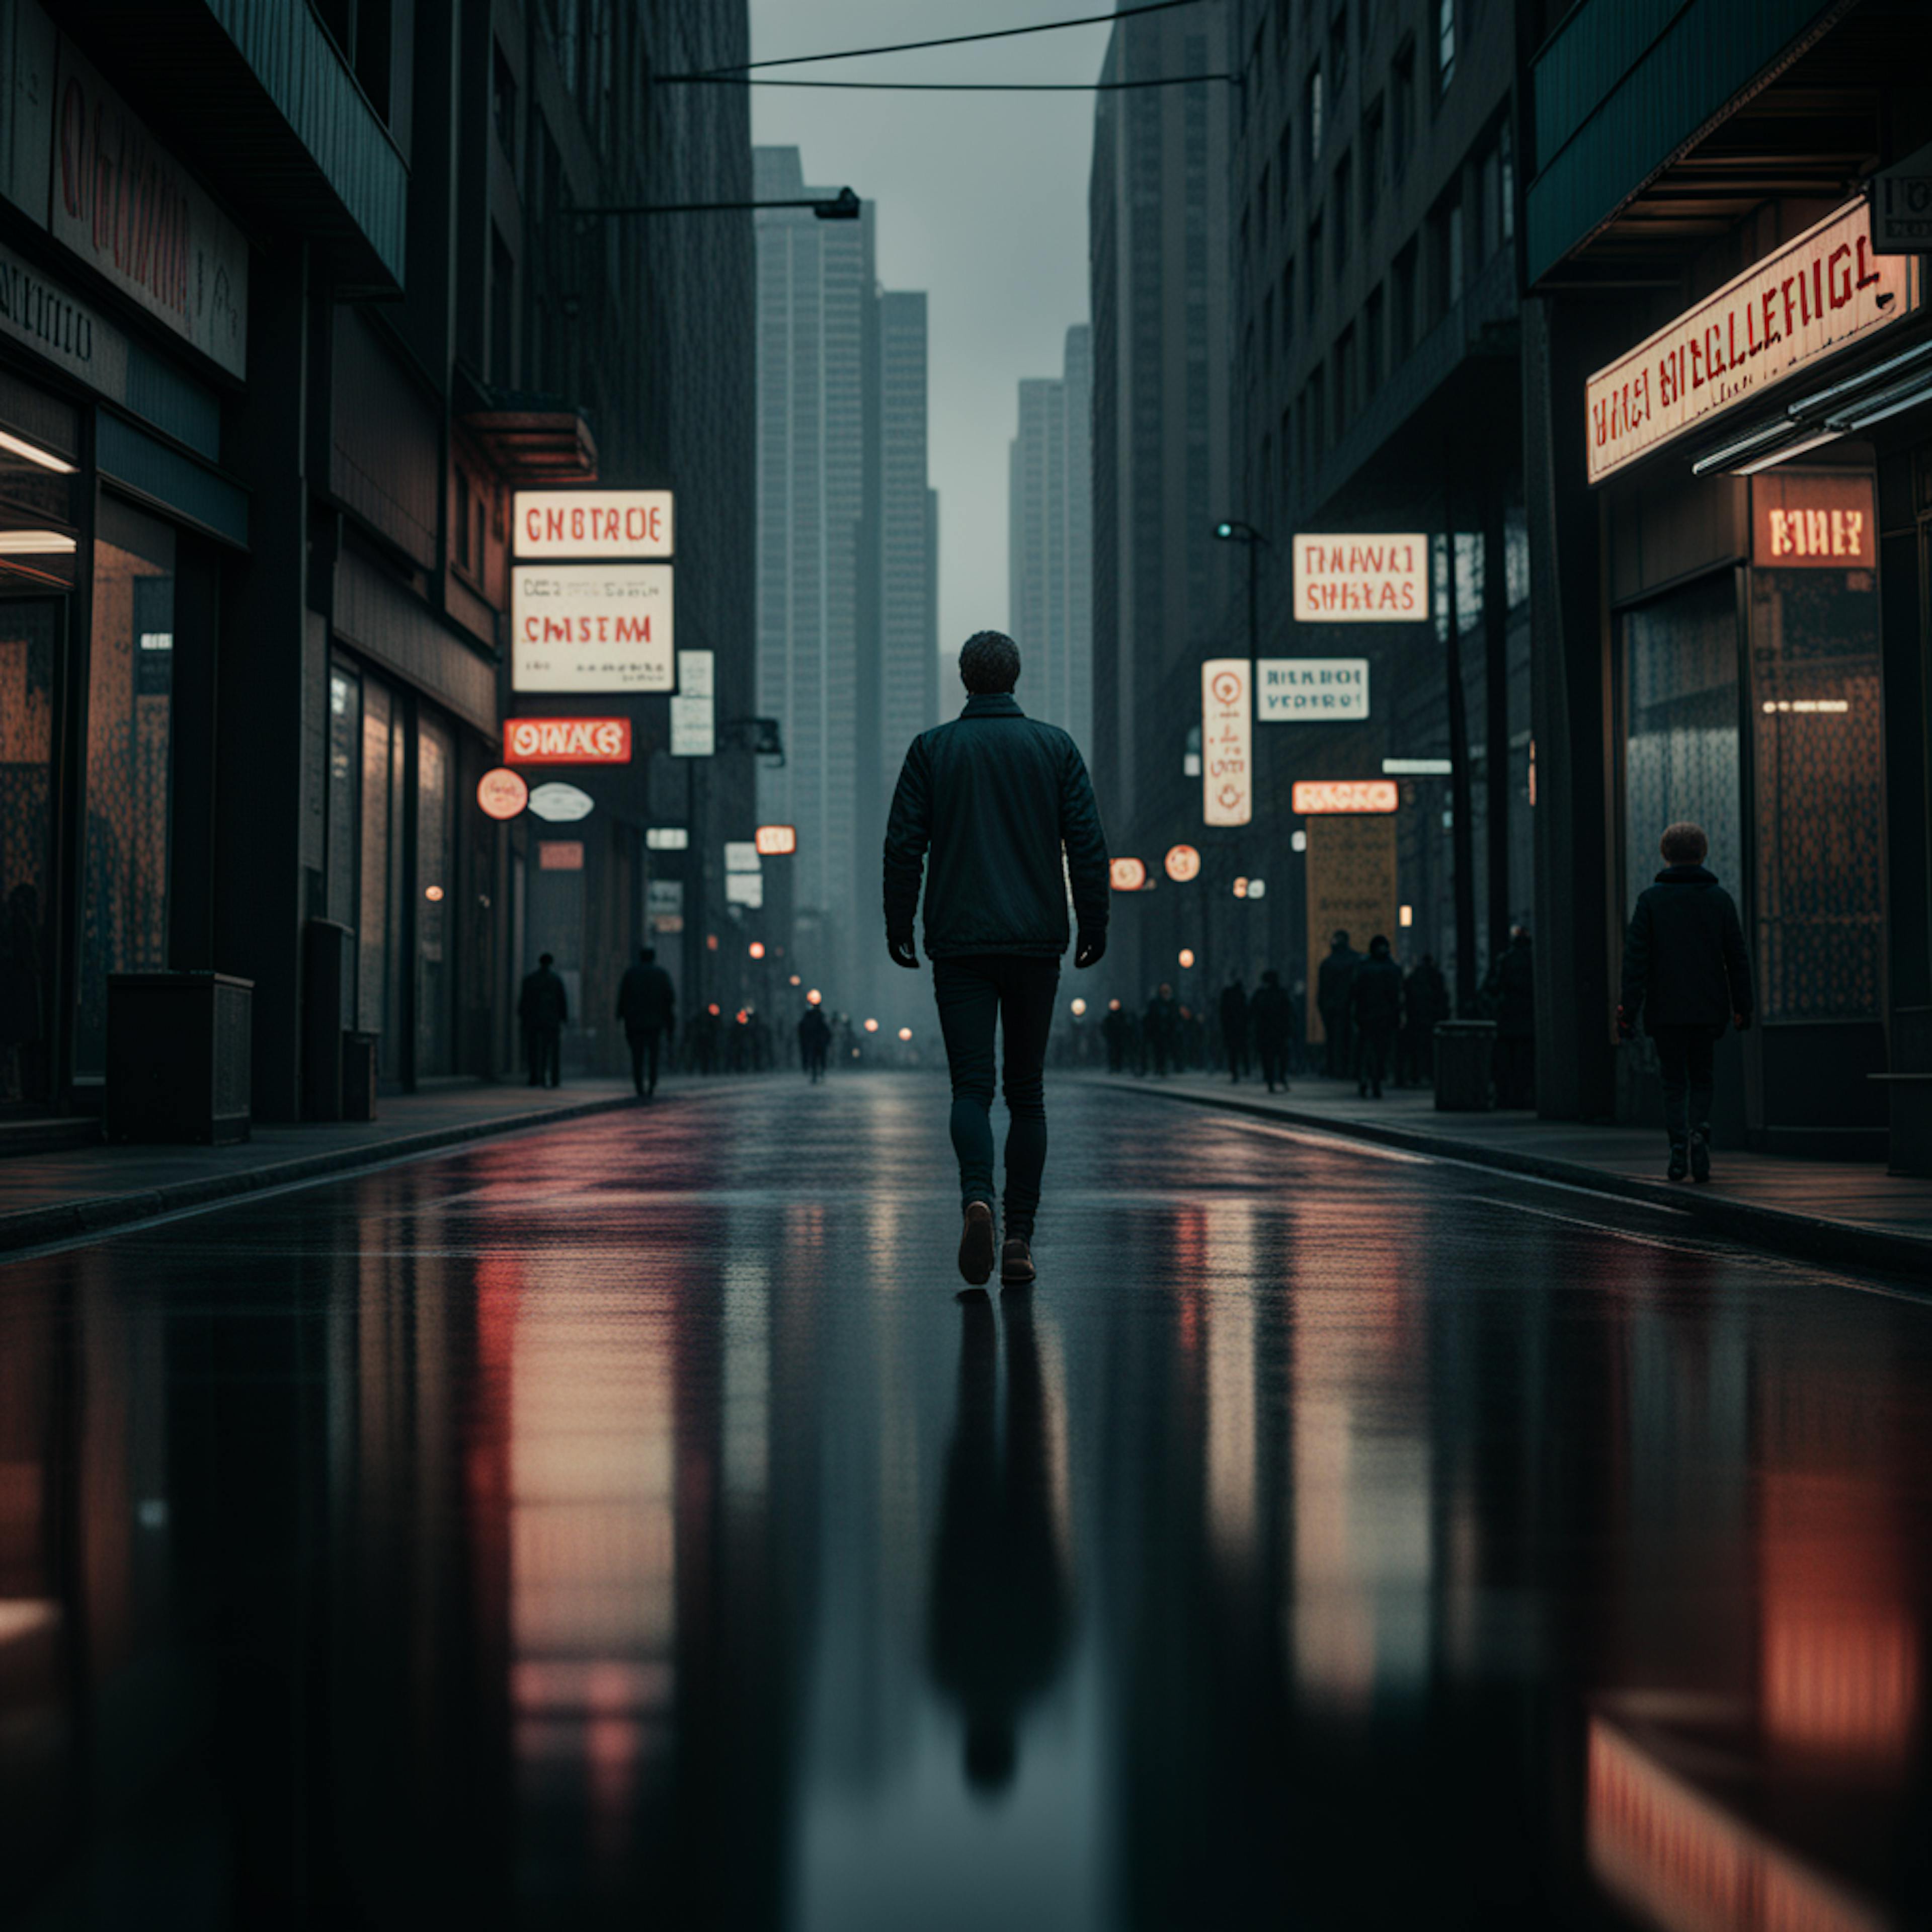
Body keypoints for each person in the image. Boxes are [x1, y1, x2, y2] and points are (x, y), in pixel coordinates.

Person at [883, 629, 1109, 1289]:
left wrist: (900, 920)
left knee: (972, 1089)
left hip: (959, 943)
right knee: (1028, 1094)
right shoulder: (1055, 747)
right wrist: (1093, 919)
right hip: (1037, 940)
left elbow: (904, 846)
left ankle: (976, 1195)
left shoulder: (933, 750)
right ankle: (1018, 1236)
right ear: (1015, 677)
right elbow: (1087, 845)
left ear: (964, 679)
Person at [1618, 821, 1753, 1182]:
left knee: (1673, 1080)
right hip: (1709, 1007)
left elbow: (1636, 962)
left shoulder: (1650, 902)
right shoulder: (1719, 900)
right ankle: (1699, 1131)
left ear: (1666, 855)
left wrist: (1627, 1011)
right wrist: (1743, 1006)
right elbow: (1736, 958)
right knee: (1703, 1075)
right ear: (1702, 853)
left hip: (1665, 1009)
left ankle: (1678, 1146)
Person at [615, 945, 676, 1098]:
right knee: (653, 1054)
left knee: (637, 1055)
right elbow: (669, 999)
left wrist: (620, 1015)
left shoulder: (631, 974)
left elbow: (623, 997)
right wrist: (669, 1023)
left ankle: (639, 1085)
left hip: (635, 1022)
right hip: (655, 1022)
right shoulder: (661, 975)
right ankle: (652, 1083)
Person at [1486, 927, 1537, 1108]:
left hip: (1509, 1017)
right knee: (1526, 1060)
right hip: (1529, 1016)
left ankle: (1507, 1096)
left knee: (1508, 1060)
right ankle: (1526, 1095)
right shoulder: (1534, 960)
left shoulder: (1505, 960)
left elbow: (1493, 986)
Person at [1348, 935, 1404, 1098]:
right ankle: (1375, 1080)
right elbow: (1396, 995)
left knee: (1366, 1050)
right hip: (1383, 1016)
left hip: (1366, 1015)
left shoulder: (1364, 967)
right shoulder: (1392, 968)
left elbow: (1355, 992)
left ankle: (1365, 1079)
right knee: (1380, 1051)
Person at [517, 952, 568, 1087]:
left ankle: (535, 1077)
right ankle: (554, 1079)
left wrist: (524, 1018)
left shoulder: (531, 980)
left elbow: (524, 1002)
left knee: (534, 1050)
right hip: (552, 1021)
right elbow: (562, 1001)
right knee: (553, 1051)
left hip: (535, 1021)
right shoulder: (556, 980)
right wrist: (564, 1019)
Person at [1399, 953, 1449, 1086]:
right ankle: (1430, 1075)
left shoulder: (1413, 978)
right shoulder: (1437, 977)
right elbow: (1443, 999)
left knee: (1415, 1050)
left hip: (1416, 1019)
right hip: (1431, 1018)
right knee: (1430, 1049)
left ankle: (1415, 1075)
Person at [1317, 930, 1361, 1078]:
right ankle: (1351, 1069)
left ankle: (1336, 1068)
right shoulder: (1356, 960)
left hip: (1334, 1008)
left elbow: (1323, 990)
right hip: (1351, 1006)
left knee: (1334, 1040)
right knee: (1351, 1040)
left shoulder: (1328, 963)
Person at [1250, 969, 1293, 1094]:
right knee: (1281, 1057)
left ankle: (1271, 1081)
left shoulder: (1262, 995)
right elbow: (1288, 1012)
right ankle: (1281, 1078)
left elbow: (1254, 1013)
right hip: (1279, 1032)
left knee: (1269, 1058)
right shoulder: (1281, 993)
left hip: (1266, 1032)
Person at [1142, 984, 1179, 1077]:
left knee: (1165, 1051)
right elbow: (1150, 1018)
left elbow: (1175, 1018)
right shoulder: (1155, 1004)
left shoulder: (1172, 1004)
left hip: (1168, 1032)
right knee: (1158, 1051)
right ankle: (1159, 1068)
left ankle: (1164, 1068)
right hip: (1157, 1032)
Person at [1218, 978, 1250, 1083]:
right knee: (1242, 1051)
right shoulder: (1241, 997)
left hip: (1231, 1030)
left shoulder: (1229, 998)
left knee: (1233, 1053)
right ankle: (1244, 1070)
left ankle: (1236, 1072)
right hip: (1240, 1030)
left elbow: (1223, 1014)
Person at [797, 1001, 831, 1082]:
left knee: (817, 1058)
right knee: (817, 1058)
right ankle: (817, 1074)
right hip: (816, 1042)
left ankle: (818, 1074)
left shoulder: (816, 1017)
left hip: (817, 1042)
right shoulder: (813, 1017)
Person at [1100, 998, 1130, 1074]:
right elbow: (1104, 1027)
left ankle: (1119, 1067)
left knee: (1119, 1052)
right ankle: (1113, 1067)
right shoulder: (1109, 1018)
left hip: (1119, 1038)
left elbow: (1126, 1027)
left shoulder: (1122, 1017)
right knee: (1111, 1052)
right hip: (1111, 1039)